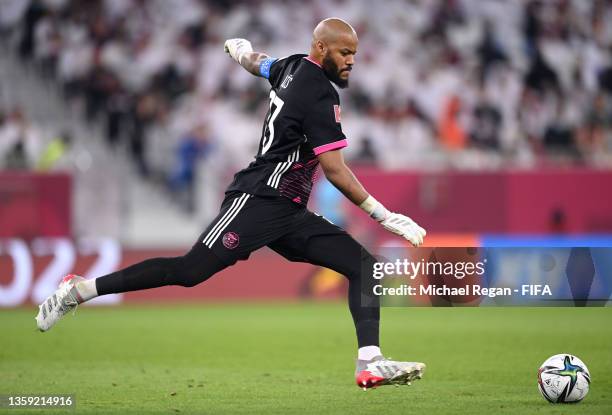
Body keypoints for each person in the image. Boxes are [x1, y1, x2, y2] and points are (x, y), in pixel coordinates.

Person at [35, 18, 427, 390]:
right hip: (258, 198)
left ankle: (369, 362)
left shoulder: (290, 66)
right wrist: (384, 214)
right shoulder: (320, 93)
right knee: (189, 271)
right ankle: (79, 290)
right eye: (344, 53)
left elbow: (261, 63)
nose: (351, 62)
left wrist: (240, 50)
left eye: (354, 54)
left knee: (363, 266)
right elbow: (335, 171)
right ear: (321, 47)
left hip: (288, 210)